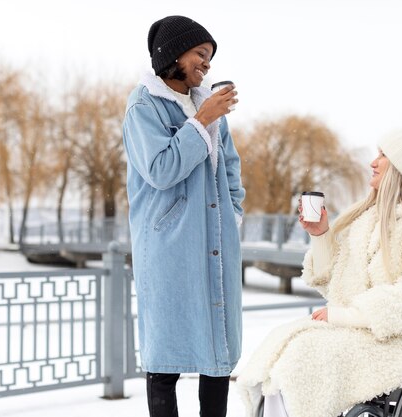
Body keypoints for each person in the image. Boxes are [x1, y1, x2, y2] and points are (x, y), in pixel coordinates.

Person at [236, 129, 402, 417]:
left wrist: (349, 315)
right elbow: (339, 284)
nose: (373, 162)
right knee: (285, 353)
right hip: (364, 334)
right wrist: (320, 236)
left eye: (383, 156)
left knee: (305, 357)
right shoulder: (368, 219)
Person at [122, 15, 245, 417]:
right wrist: (201, 120)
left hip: (214, 241)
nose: (207, 64)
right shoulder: (143, 106)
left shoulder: (206, 106)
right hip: (168, 245)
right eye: (200, 54)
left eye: (209, 57)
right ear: (173, 53)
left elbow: (229, 167)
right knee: (165, 357)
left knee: (218, 351)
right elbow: (160, 170)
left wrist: (234, 215)